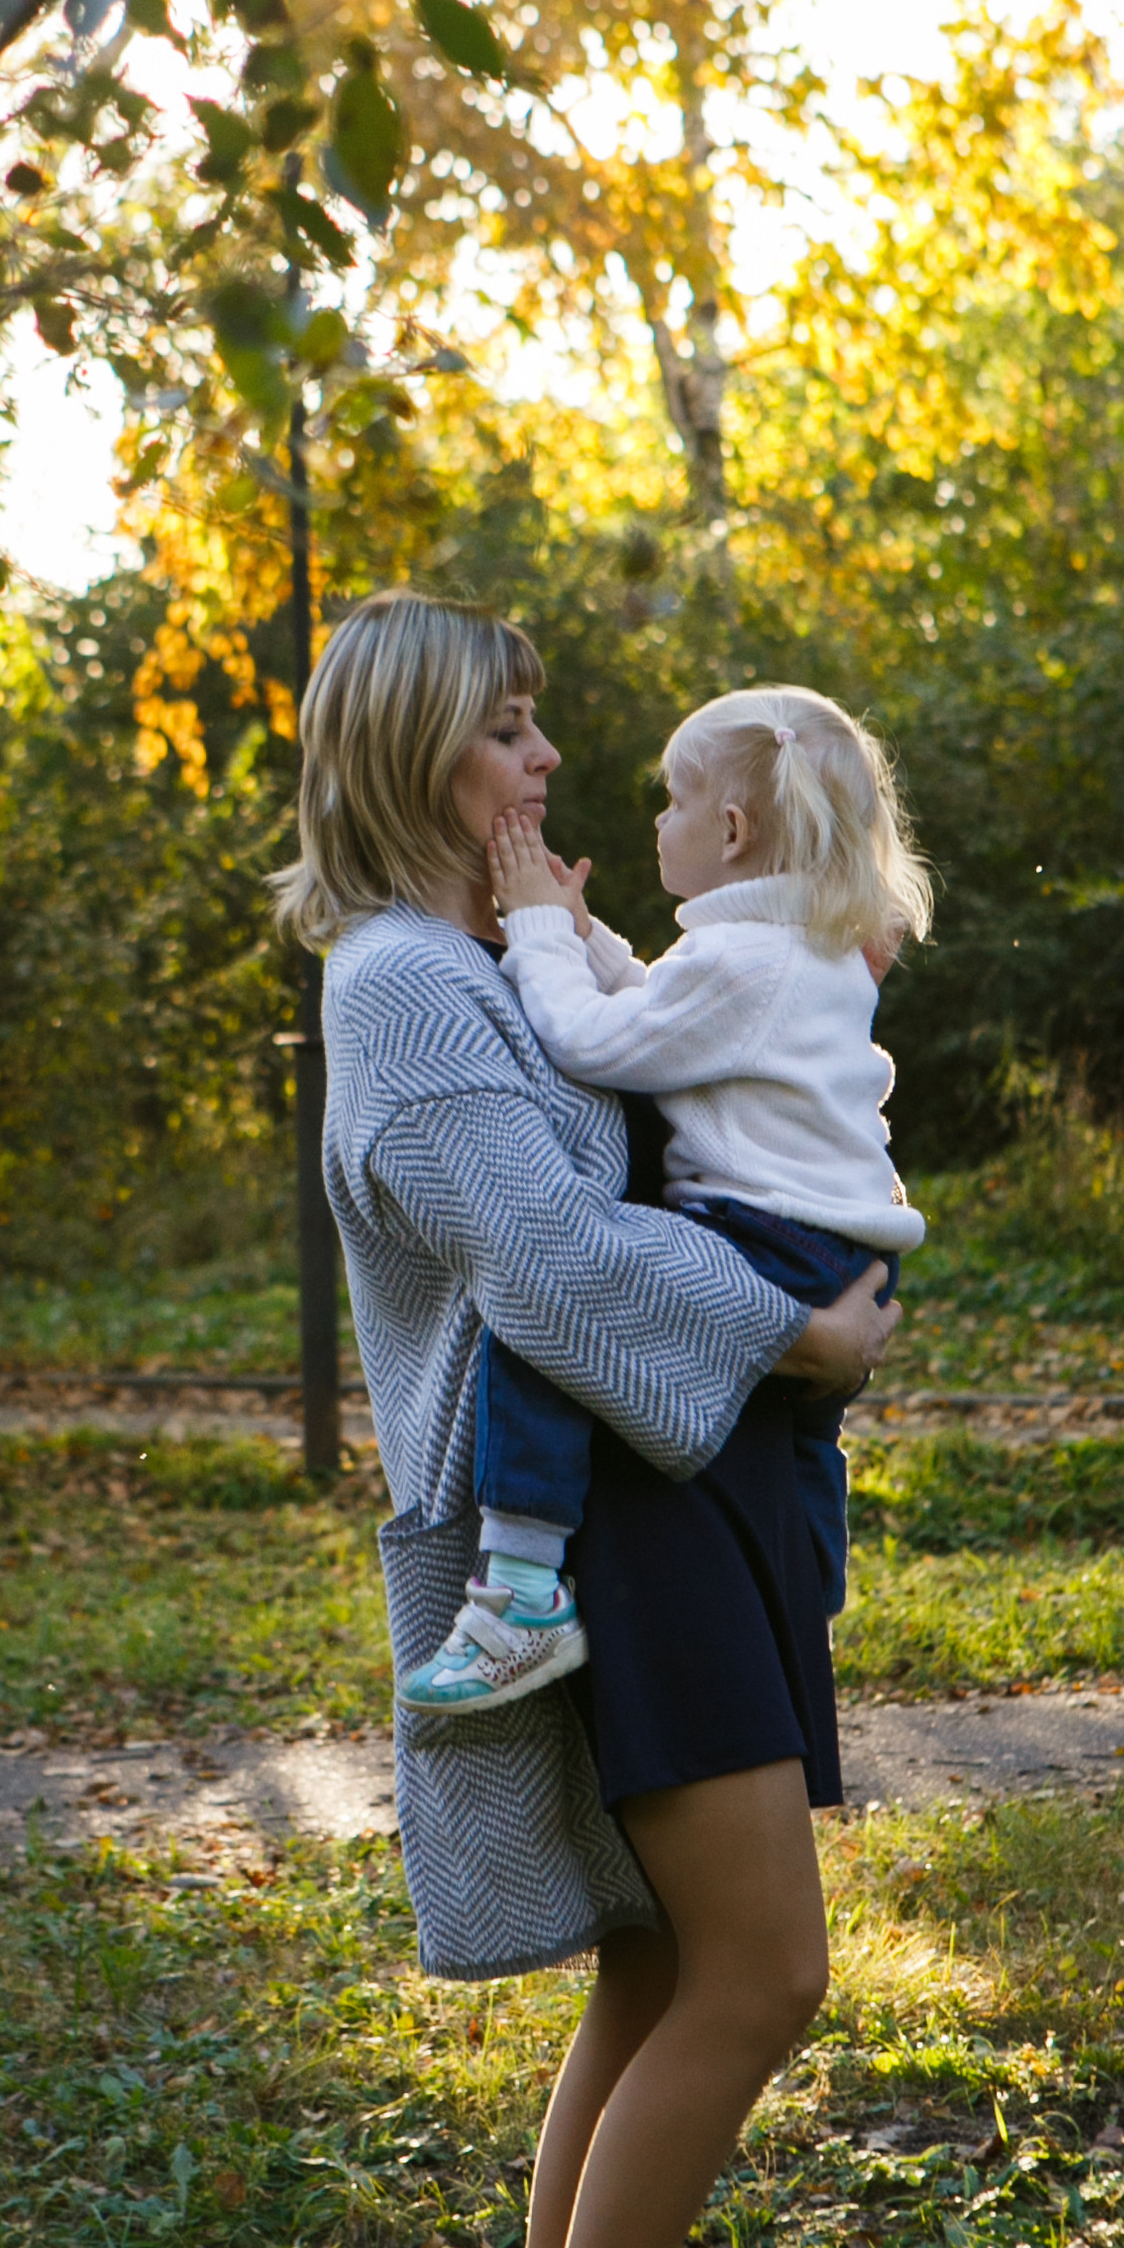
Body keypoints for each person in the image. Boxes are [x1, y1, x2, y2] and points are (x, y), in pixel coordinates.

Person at [275, 588, 903, 2248]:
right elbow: (542, 1265)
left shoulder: (491, 964)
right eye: (507, 733)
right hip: (613, 1519)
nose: (545, 767)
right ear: (404, 761)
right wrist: (798, 1332)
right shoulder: (395, 986)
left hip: (682, 1481)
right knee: (756, 1973)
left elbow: (693, 1118)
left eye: (544, 729)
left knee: (657, 1969)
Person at [397, 683, 930, 1715]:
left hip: (763, 1232)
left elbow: (597, 1041)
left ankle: (518, 1597)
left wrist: (541, 939)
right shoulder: (790, 946)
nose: (656, 821)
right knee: (805, 1438)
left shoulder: (739, 958)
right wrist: (584, 936)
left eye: (672, 802)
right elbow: (668, 1013)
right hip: (843, 1241)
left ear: (730, 831)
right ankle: (802, 1601)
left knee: (549, 1315)